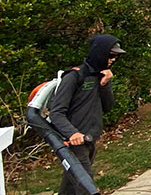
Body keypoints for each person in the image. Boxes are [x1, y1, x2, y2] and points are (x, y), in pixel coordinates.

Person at [49, 34, 123, 195]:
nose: (113, 60)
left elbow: (108, 107)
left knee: (71, 186)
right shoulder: (74, 77)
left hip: (90, 140)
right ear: (99, 53)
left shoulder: (99, 76)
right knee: (86, 187)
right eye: (111, 55)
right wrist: (72, 133)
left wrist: (105, 85)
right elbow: (56, 113)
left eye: (116, 57)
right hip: (75, 143)